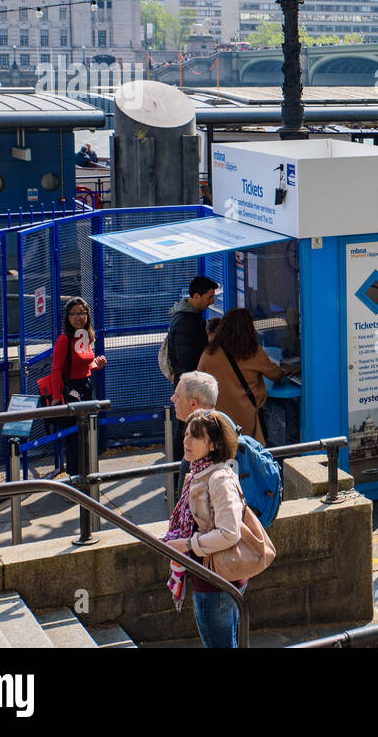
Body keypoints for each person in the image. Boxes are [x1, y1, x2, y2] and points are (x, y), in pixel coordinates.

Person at [162, 409, 246, 648]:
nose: (186, 441)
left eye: (196, 436)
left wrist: (188, 544)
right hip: (212, 575)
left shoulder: (218, 478)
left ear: (214, 444)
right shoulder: (198, 472)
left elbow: (230, 532)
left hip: (216, 581)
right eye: (186, 434)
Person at [197, 308, 292, 444]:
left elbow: (199, 381)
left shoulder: (209, 353)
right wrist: (287, 371)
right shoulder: (251, 351)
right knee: (246, 453)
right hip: (245, 416)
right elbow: (275, 375)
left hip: (218, 417)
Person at [47, 298, 106, 477]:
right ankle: (75, 478)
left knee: (85, 434)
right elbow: (56, 369)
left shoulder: (85, 335)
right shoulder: (64, 339)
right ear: (67, 317)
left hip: (85, 388)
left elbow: (84, 364)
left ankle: (85, 474)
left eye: (82, 313)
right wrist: (57, 398)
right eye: (74, 314)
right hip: (71, 391)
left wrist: (96, 364)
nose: (78, 317)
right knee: (74, 438)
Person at [166, 276, 218, 464]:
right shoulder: (187, 323)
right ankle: (180, 480)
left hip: (188, 385)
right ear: (196, 296)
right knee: (185, 432)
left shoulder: (188, 318)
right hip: (190, 387)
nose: (212, 301)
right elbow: (187, 358)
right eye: (209, 297)